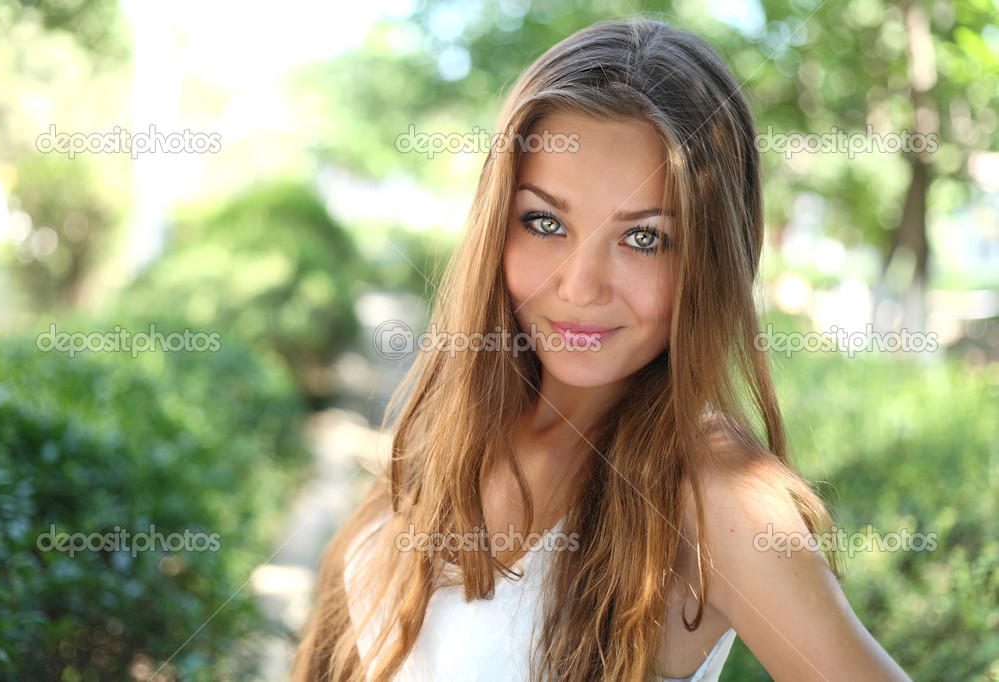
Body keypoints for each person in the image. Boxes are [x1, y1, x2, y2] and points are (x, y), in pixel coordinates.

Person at [291, 16, 913, 682]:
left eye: (643, 238)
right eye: (545, 222)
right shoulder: (455, 419)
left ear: (709, 259)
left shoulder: (717, 496)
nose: (580, 287)